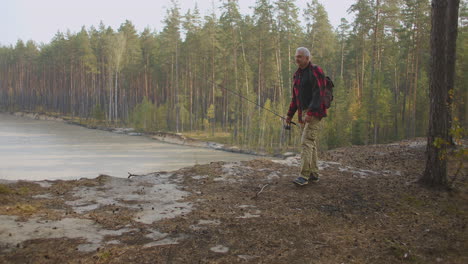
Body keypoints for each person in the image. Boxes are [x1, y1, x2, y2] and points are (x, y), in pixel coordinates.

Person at [285, 47, 328, 186]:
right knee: (311, 143)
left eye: (300, 56)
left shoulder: (316, 71)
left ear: (307, 58)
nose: (297, 59)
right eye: (296, 56)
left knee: (306, 142)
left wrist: (310, 112)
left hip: (314, 112)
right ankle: (314, 174)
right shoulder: (297, 74)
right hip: (302, 113)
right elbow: (295, 98)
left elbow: (319, 93)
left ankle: (304, 176)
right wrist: (289, 115)